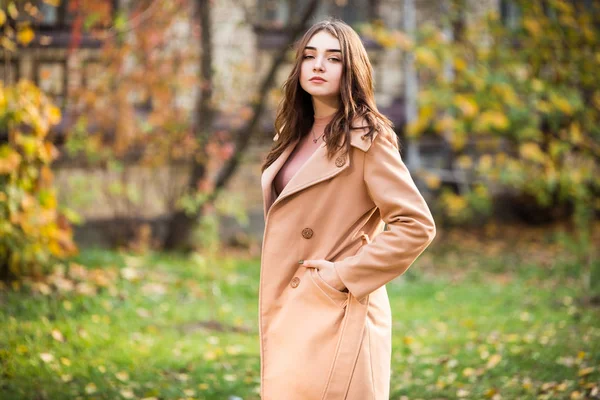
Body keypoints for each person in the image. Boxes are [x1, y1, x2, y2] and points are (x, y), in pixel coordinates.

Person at [259, 18, 436, 400]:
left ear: (351, 69)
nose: (318, 65)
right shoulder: (292, 134)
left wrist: (343, 275)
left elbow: (416, 225)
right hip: (292, 305)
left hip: (338, 310)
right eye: (310, 56)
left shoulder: (367, 139)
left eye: (333, 58)